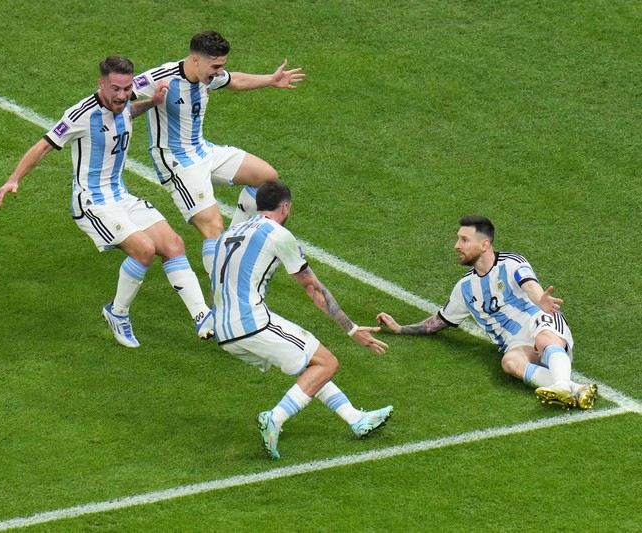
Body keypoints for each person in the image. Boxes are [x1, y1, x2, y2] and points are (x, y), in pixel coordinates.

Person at [0, 56, 214, 348]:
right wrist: (14, 178)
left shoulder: (123, 102)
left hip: (121, 196)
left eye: (126, 88)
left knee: (173, 245)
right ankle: (117, 313)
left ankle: (202, 316)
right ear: (100, 84)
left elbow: (125, 113)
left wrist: (151, 102)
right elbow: (44, 145)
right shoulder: (80, 114)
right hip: (92, 203)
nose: (122, 95)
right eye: (115, 89)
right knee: (144, 250)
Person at [210, 180, 393, 459]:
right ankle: (276, 418)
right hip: (252, 322)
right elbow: (314, 289)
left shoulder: (229, 233)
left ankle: (355, 418)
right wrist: (352, 328)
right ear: (285, 207)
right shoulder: (278, 234)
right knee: (327, 363)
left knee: (309, 364)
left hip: (223, 328)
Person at [376, 215, 597, 409]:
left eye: (464, 240)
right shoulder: (464, 288)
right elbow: (438, 322)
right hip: (517, 344)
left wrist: (541, 301)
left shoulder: (511, 263)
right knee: (509, 362)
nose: (456, 245)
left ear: (484, 244)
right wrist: (400, 329)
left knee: (543, 336)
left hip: (540, 320)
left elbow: (530, 285)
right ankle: (576, 388)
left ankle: (560, 386)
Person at [133, 30, 305, 278]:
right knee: (213, 227)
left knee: (268, 180)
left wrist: (271, 79)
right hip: (177, 162)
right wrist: (151, 102)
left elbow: (233, 80)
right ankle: (224, 293)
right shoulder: (161, 78)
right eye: (215, 66)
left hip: (204, 150)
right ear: (195, 60)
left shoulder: (207, 75)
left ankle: (233, 243)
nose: (219, 72)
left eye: (221, 66)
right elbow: (115, 101)